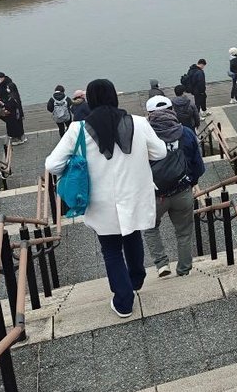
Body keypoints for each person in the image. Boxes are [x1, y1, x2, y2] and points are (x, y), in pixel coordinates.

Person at [45, 79, 167, 318]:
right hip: (133, 196)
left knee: (111, 250)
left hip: (101, 202)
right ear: (114, 96)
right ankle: (136, 279)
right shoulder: (139, 123)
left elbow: (52, 165)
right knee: (132, 235)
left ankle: (123, 301)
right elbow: (160, 152)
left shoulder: (77, 129)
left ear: (90, 99)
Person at [141, 96, 205, 278]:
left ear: (149, 114)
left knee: (150, 228)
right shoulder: (186, 132)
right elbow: (197, 164)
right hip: (182, 190)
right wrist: (190, 183)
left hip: (155, 194)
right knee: (184, 232)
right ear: (172, 111)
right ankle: (184, 269)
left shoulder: (143, 136)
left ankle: (162, 264)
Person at [0, 72, 26, 145]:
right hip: (5, 103)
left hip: (10, 105)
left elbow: (15, 99)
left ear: (3, 77)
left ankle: (18, 136)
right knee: (4, 117)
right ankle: (13, 134)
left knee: (14, 121)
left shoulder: (10, 84)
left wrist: (4, 103)